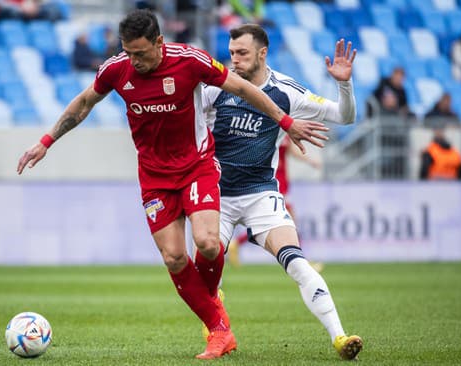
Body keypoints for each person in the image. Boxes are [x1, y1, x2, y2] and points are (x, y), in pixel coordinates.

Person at [17, 9, 328, 360]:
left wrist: (285, 121)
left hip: (197, 166)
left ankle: (212, 310)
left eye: (141, 53)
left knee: (209, 244)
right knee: (174, 256)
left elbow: (241, 86)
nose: (134, 61)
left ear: (159, 43)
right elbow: (85, 102)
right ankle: (219, 329)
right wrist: (45, 141)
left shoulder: (190, 61)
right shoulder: (117, 69)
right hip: (154, 178)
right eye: (128, 52)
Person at [201, 24, 362, 360]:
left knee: (299, 264)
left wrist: (344, 84)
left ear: (262, 53)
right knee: (204, 271)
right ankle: (217, 327)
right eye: (231, 53)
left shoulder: (286, 91)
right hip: (215, 197)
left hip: (261, 194)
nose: (234, 60)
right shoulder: (216, 88)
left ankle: (340, 337)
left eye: (242, 53)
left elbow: (344, 117)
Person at [227, 136, 321, 268]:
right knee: (289, 220)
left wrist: (310, 161)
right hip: (273, 179)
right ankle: (302, 261)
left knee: (276, 220)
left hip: (283, 178)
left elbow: (291, 151)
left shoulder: (284, 130)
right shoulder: (266, 128)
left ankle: (237, 243)